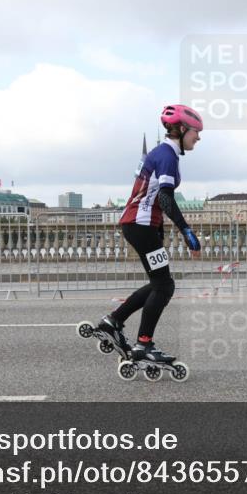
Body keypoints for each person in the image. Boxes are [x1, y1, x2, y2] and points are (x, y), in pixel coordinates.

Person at [96, 104, 203, 364]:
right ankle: (143, 344)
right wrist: (186, 230)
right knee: (165, 285)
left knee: (160, 283)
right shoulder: (166, 155)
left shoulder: (163, 153)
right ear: (180, 129)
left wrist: (160, 230)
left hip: (141, 225)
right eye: (195, 132)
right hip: (140, 225)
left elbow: (151, 196)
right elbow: (165, 198)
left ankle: (114, 321)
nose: (198, 138)